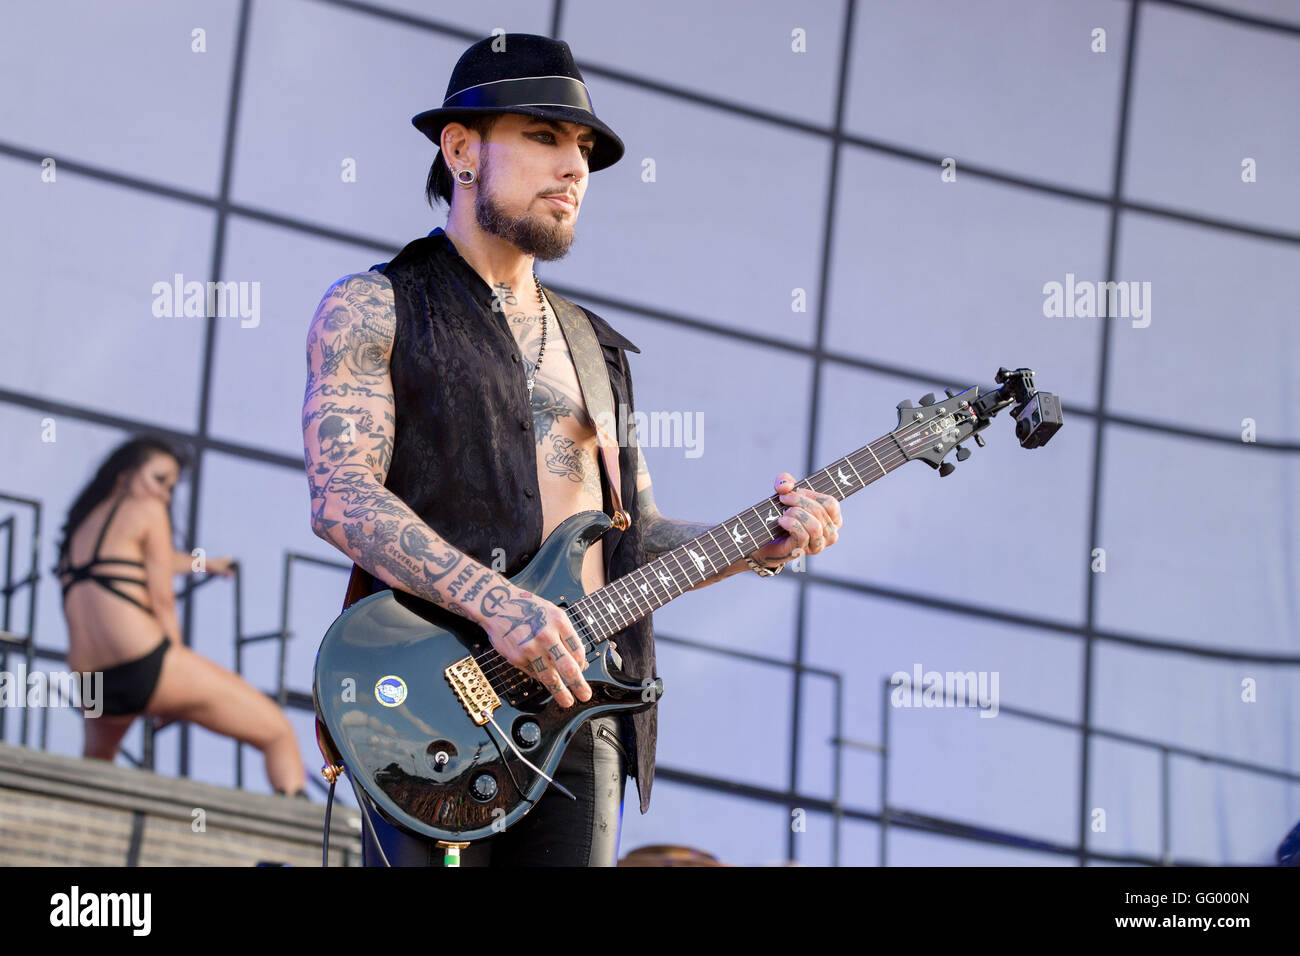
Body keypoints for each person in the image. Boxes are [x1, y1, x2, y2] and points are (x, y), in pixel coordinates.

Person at [301, 34, 844, 866]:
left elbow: (633, 535)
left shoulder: (599, 350)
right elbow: (341, 495)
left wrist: (757, 547)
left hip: (583, 711)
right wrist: (496, 604)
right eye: (545, 137)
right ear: (461, 149)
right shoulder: (375, 307)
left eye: (583, 148)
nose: (575, 168)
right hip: (425, 705)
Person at [56, 436, 308, 797]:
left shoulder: (79, 532)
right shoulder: (147, 510)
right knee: (278, 732)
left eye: (172, 487)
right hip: (145, 664)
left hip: (91, 683)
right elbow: (160, 596)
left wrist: (206, 564)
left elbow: (136, 563)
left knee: (97, 769)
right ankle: (299, 839)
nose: (166, 495)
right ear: (125, 476)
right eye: (159, 480)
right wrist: (175, 662)